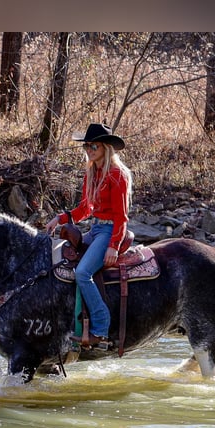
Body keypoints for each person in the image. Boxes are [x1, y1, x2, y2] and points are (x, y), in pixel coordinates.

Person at [45, 123, 133, 348]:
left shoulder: (117, 175)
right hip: (95, 228)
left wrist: (114, 245)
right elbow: (85, 209)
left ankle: (100, 329)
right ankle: (72, 322)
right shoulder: (91, 173)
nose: (89, 150)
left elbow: (121, 216)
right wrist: (60, 218)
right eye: (86, 146)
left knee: (83, 272)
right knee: (64, 263)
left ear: (105, 147)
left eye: (93, 146)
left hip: (110, 230)